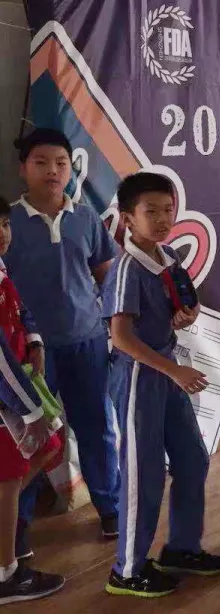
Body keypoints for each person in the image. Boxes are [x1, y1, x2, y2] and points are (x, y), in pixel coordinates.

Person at [102, 172, 220, 597]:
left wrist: (187, 315)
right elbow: (121, 337)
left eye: (168, 209)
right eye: (150, 211)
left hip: (167, 368)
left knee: (193, 458)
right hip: (140, 376)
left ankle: (182, 548)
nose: (162, 219)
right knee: (144, 474)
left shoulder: (168, 255)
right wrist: (174, 371)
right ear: (127, 218)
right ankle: (127, 570)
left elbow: (187, 301)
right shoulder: (126, 268)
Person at [4, 129, 121, 550]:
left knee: (96, 427)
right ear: (23, 169)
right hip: (28, 352)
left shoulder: (85, 217)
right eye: (41, 162)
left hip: (86, 341)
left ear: (71, 169)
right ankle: (16, 527)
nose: (52, 171)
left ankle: (110, 508)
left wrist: (117, 325)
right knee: (28, 437)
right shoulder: (8, 223)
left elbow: (107, 274)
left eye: (61, 163)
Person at [0, 200, 64, 604]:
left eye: (4, 224)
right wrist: (29, 409)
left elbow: (20, 309)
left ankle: (8, 536)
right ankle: (6, 575)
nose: (1, 233)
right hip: (7, 396)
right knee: (8, 478)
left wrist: (35, 339)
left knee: (48, 447)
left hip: (19, 381)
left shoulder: (2, 268)